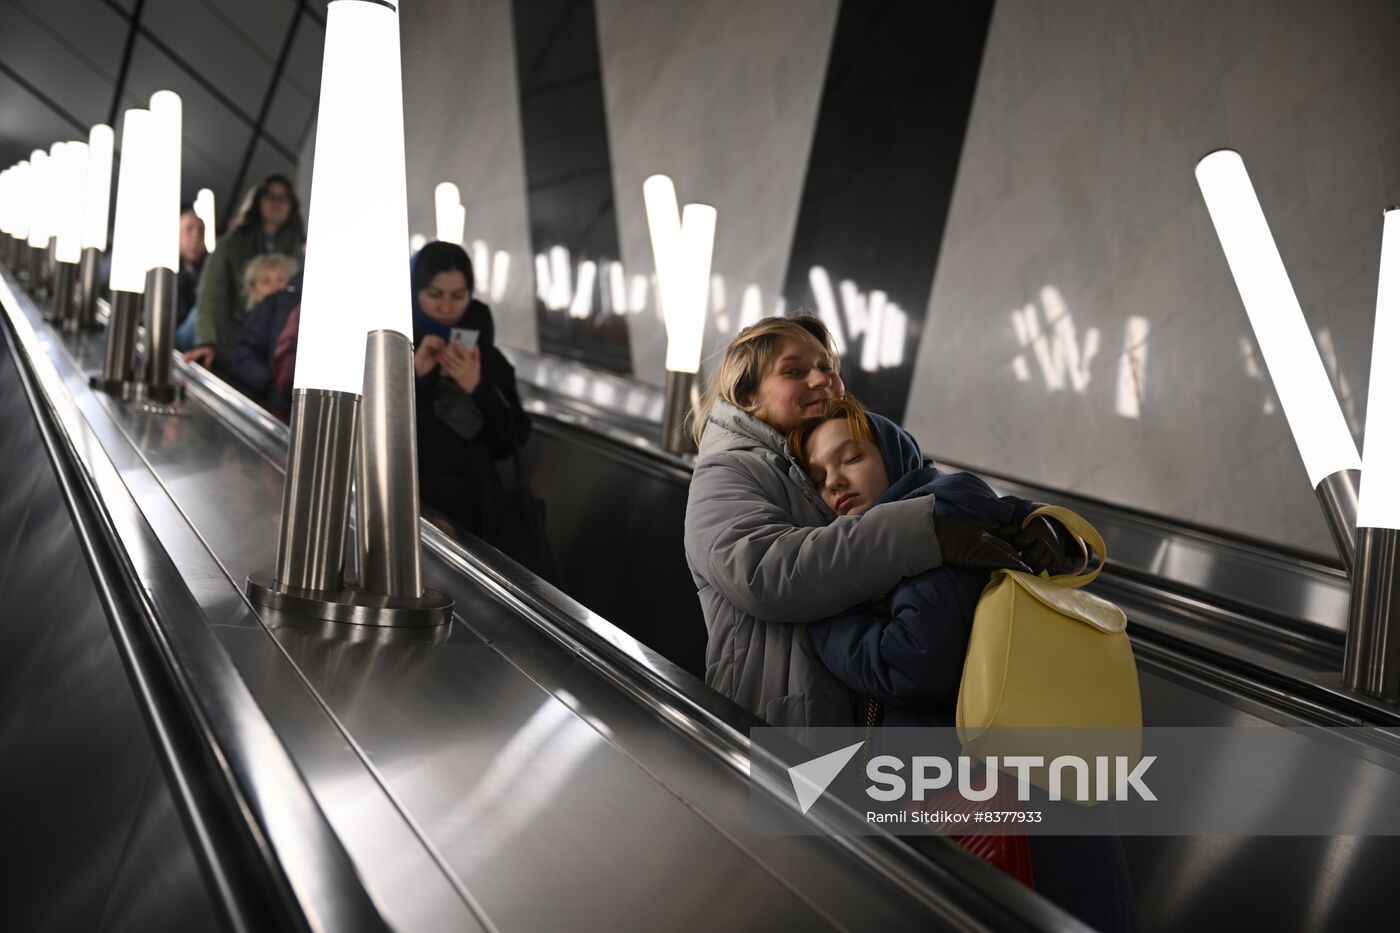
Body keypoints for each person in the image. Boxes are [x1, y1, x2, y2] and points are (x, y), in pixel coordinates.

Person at [789, 397, 1138, 933]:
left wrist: (821, 621)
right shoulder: (903, 542)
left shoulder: (935, 523)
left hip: (1007, 815)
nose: (833, 482)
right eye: (818, 476)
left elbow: (916, 663)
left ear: (898, 457)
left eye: (851, 457)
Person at [681, 317, 1028, 728]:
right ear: (747, 395)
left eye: (827, 368)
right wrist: (927, 531)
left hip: (861, 725)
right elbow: (767, 572)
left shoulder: (818, 454)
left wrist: (1029, 520)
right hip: (786, 725)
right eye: (794, 371)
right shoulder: (726, 473)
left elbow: (926, 488)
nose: (821, 379)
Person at [411, 241, 553, 579]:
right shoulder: (392, 345)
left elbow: (510, 441)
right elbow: (373, 428)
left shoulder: (488, 358)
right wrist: (416, 379)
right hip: (409, 501)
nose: (446, 306)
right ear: (414, 291)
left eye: (458, 296)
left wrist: (479, 388)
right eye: (434, 294)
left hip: (474, 514)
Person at [185, 174, 304, 370]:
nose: (277, 204)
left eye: (283, 199)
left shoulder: (300, 249)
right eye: (270, 197)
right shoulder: (232, 244)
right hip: (232, 341)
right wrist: (206, 341)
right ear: (258, 200)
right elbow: (209, 296)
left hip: (277, 347)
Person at [226, 265, 302, 415]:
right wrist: (269, 383)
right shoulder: (275, 304)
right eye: (266, 281)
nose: (275, 285)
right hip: (275, 408)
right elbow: (243, 354)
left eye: (281, 280)